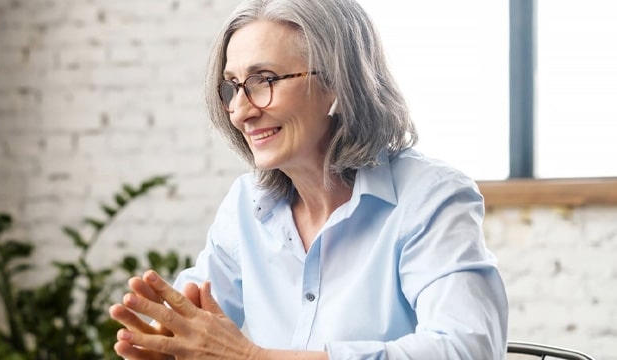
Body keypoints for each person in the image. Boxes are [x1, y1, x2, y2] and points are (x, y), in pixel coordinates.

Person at [108, 0, 509, 358]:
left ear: (336, 81)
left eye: (263, 80)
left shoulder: (430, 196)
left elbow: (467, 347)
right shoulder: (245, 204)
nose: (241, 111)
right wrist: (166, 341)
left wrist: (254, 358)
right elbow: (192, 321)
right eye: (232, 88)